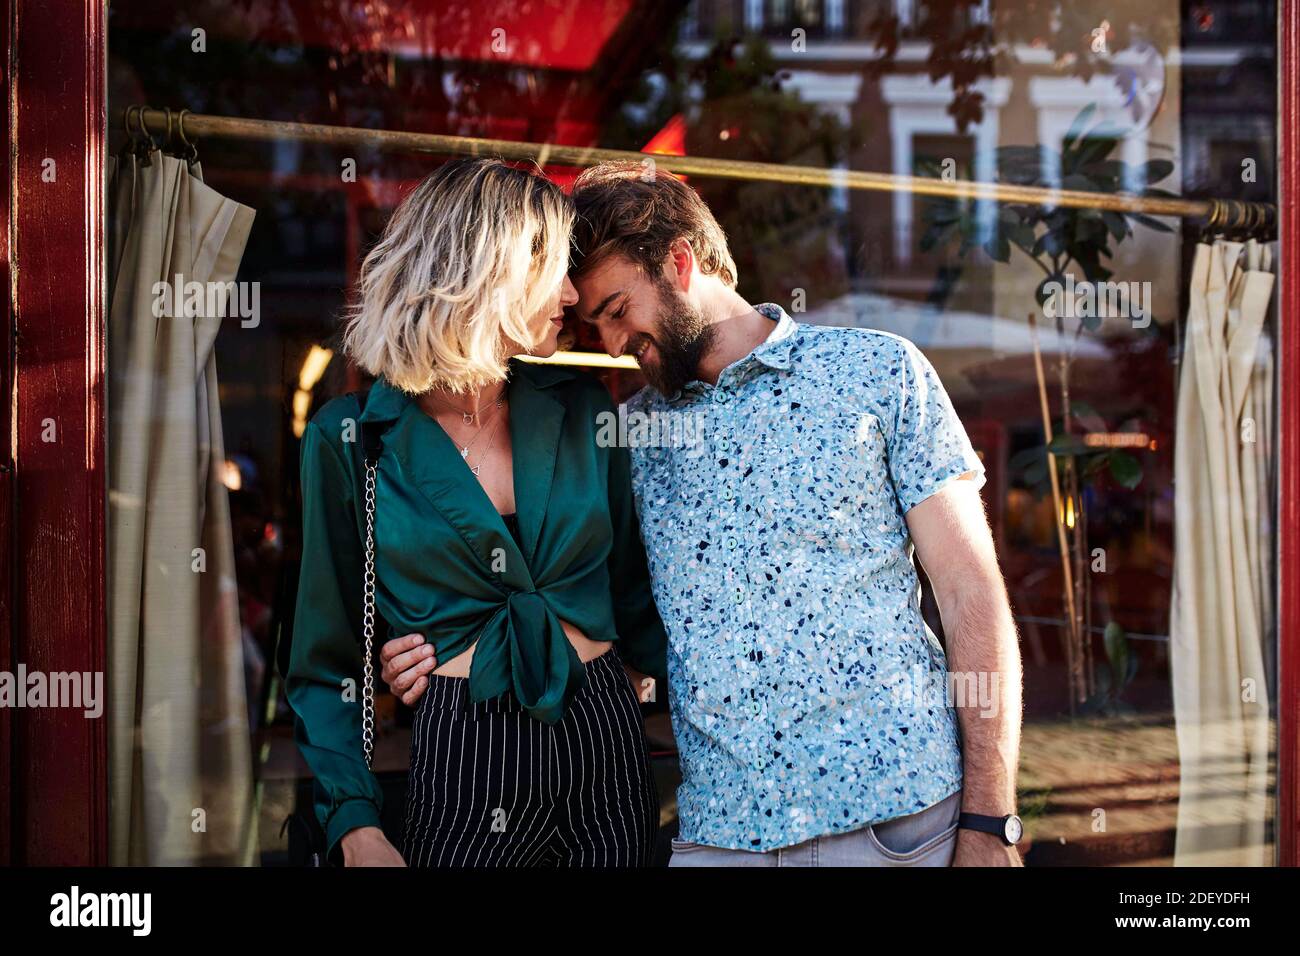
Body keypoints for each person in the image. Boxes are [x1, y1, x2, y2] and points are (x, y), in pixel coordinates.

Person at [384, 160, 1025, 868]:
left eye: (618, 312)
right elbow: (573, 594)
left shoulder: (879, 371)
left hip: (904, 823)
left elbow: (971, 594)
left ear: (681, 263)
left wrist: (991, 820)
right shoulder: (621, 435)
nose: (612, 344)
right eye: (593, 324)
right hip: (721, 837)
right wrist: (428, 642)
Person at [284, 157, 666, 868]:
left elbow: (638, 600)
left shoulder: (585, 408)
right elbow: (323, 656)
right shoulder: (351, 438)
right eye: (552, 265)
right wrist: (356, 823)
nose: (572, 292)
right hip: (465, 747)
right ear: (487, 270)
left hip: (606, 736)